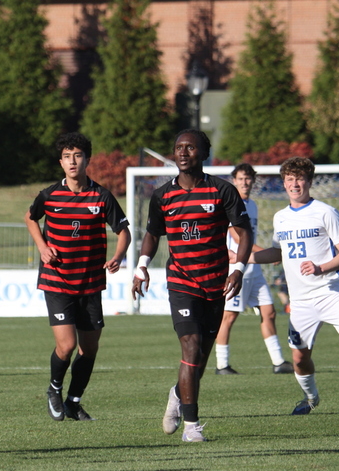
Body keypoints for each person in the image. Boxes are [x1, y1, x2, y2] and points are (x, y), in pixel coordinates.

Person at [131, 129, 251, 442]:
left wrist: (238, 269)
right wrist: (142, 266)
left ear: (204, 153)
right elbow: (153, 234)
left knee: (198, 360)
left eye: (190, 147)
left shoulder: (222, 191)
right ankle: (192, 427)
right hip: (182, 281)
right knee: (191, 346)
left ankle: (177, 393)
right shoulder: (162, 196)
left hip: (216, 284)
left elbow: (244, 231)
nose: (183, 152)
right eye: (178, 147)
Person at [25, 132, 131, 422]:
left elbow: (124, 232)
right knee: (67, 345)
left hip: (90, 283)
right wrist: (42, 247)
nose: (73, 161)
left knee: (90, 348)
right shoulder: (49, 195)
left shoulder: (101, 196)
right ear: (61, 162)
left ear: (87, 159)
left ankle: (74, 401)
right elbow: (30, 217)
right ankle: (54, 389)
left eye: (78, 155)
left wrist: (118, 256)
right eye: (67, 157)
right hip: (57, 280)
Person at [252, 157, 339, 415]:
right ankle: (310, 398)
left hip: (330, 293)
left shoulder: (325, 211)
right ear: (284, 183)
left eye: (300, 178)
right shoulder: (280, 218)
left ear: (310, 181)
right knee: (299, 358)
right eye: (290, 179)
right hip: (301, 301)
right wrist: (244, 257)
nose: (295, 184)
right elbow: (277, 253)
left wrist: (321, 268)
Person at [214, 163, 293, 375]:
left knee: (269, 312)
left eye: (248, 178)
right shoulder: (231, 203)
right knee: (229, 316)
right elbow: (237, 236)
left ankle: (278, 362)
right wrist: (266, 253)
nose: (245, 182)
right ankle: (222, 365)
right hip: (237, 268)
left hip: (254, 268)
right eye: (240, 178)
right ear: (234, 180)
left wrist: (262, 256)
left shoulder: (253, 205)